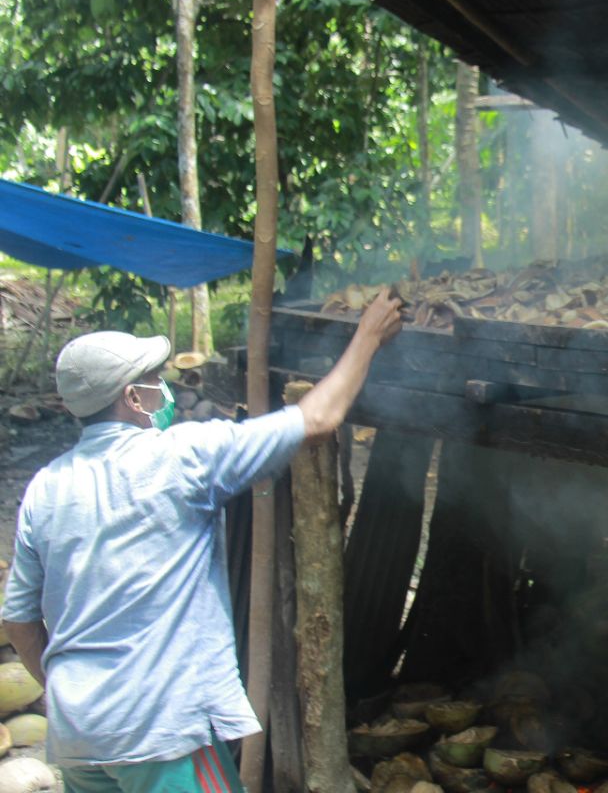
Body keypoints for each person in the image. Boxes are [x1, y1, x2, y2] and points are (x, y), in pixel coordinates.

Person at [2, 291, 403, 793]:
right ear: (131, 399)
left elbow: (16, 618)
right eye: (154, 381)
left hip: (81, 737)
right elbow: (317, 419)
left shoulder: (46, 486)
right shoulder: (179, 456)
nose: (164, 389)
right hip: (161, 732)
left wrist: (67, 692)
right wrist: (368, 336)